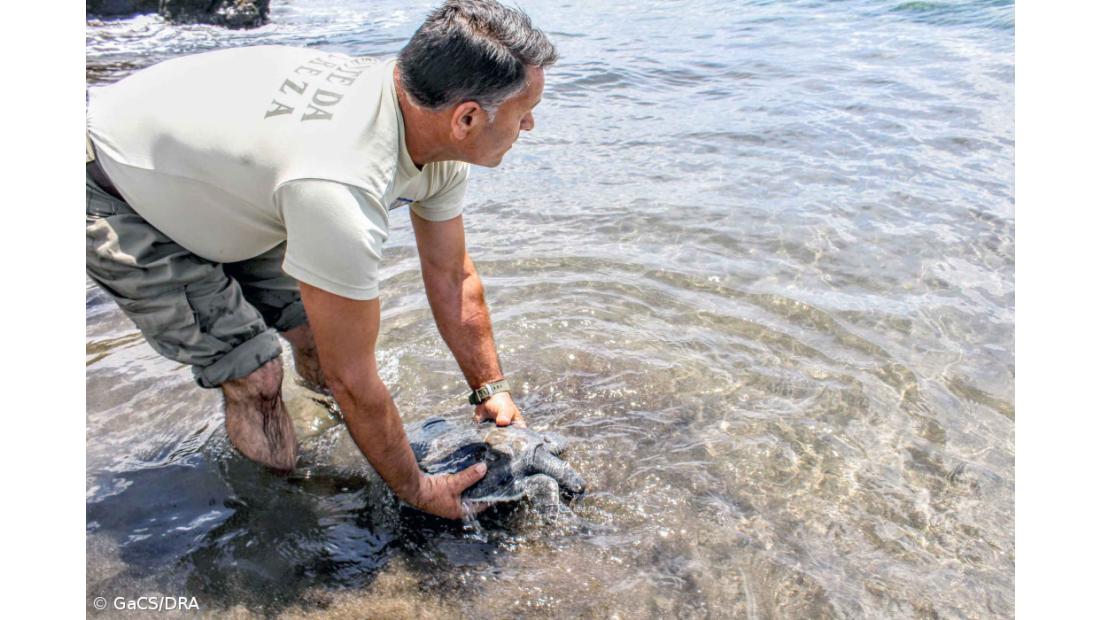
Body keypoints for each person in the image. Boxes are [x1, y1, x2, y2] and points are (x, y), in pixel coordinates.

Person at [85, 0, 556, 520]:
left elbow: (452, 277)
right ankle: (282, 510)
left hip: (228, 183)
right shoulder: (341, 184)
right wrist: (417, 490)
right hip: (116, 184)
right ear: (466, 117)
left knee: (317, 332)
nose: (530, 124)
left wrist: (490, 390)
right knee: (257, 374)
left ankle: (339, 447)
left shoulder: (432, 128)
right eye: (523, 110)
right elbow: (353, 375)